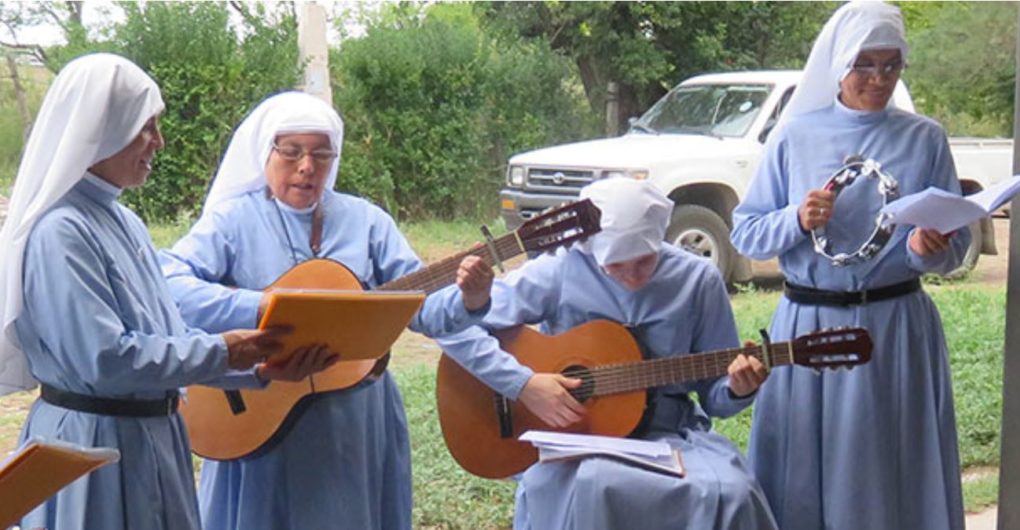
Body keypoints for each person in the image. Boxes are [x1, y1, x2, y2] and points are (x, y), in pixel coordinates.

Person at [0, 54, 334, 530]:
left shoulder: (124, 221)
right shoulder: (61, 231)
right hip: (92, 448)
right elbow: (107, 361)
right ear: (102, 128)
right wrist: (223, 351)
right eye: (146, 127)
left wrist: (258, 367)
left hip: (151, 439)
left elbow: (167, 335)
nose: (158, 141)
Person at [158, 90, 494, 530]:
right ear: (266, 153)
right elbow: (168, 283)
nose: (306, 167)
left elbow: (420, 311)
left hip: (350, 416)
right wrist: (263, 305)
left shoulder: (367, 221)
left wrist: (471, 298)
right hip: (261, 402)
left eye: (320, 154)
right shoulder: (233, 221)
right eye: (292, 152)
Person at [729, 3, 969, 530]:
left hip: (895, 328)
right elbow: (745, 231)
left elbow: (956, 242)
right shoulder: (795, 137)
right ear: (839, 64)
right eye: (865, 65)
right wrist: (795, 217)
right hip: (809, 326)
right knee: (809, 466)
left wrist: (927, 250)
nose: (878, 79)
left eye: (891, 65)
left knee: (893, 460)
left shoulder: (925, 137)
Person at [441, 177, 776, 530]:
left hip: (670, 435)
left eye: (644, 261)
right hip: (577, 436)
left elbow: (716, 396)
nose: (632, 276)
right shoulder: (562, 269)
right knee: (592, 483)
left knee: (734, 491)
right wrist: (523, 385)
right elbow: (453, 324)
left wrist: (739, 387)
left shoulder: (698, 280)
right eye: (615, 266)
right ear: (591, 249)